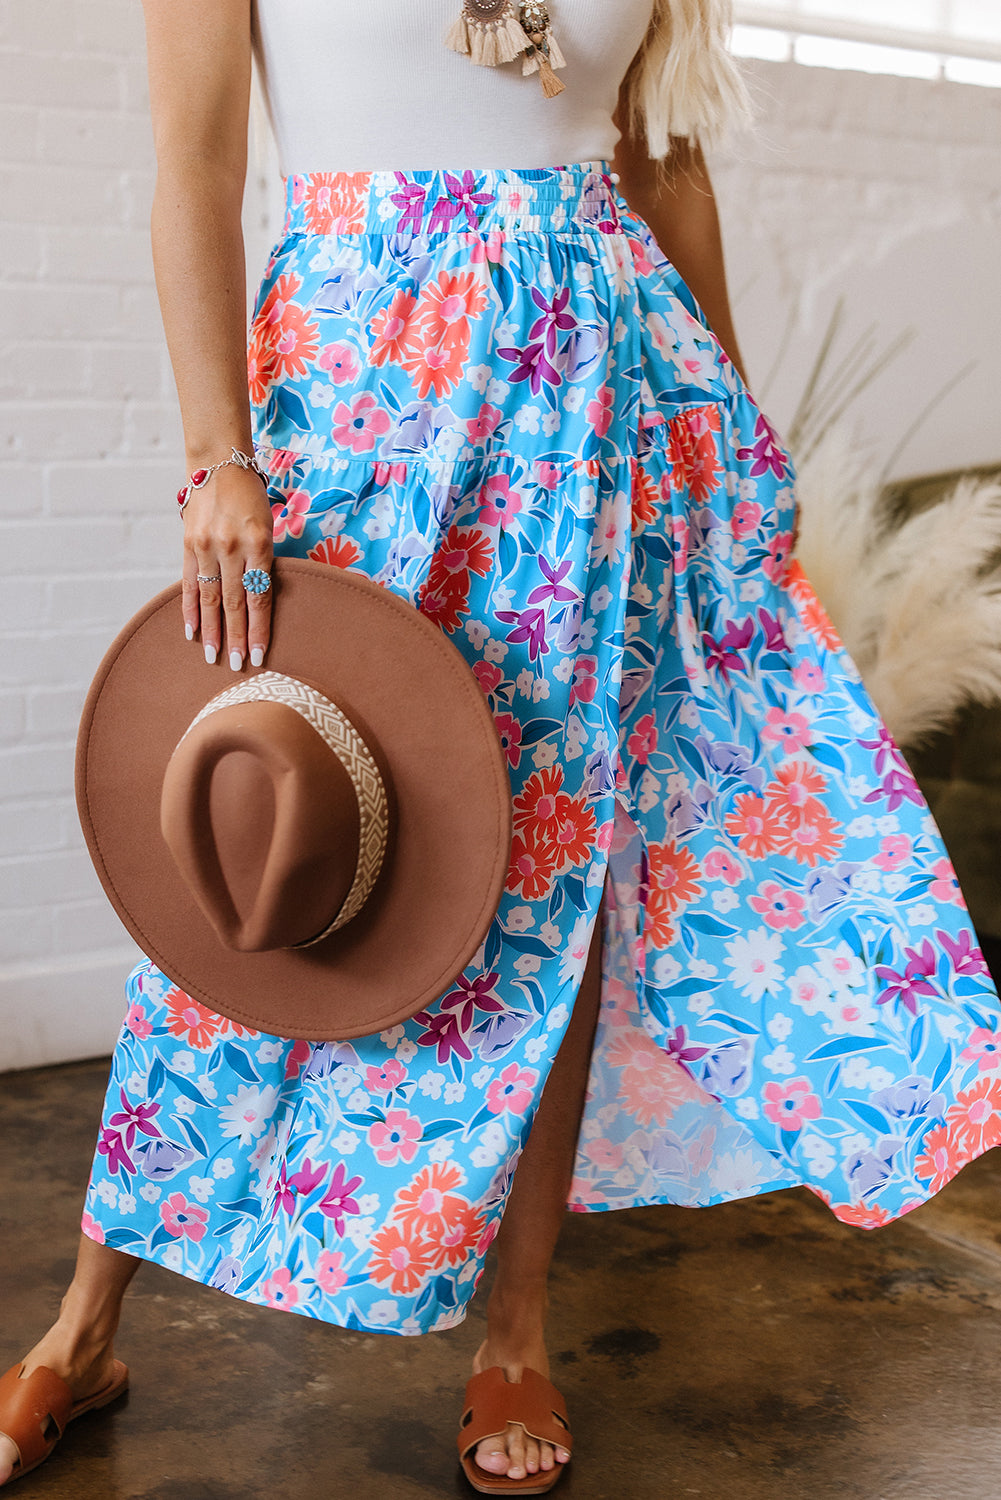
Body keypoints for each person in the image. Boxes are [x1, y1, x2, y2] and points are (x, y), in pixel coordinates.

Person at [3, 1, 1000, 1493]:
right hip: (361, 386)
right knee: (276, 831)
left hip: (607, 405)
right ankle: (85, 1326)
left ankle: (514, 1334)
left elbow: (663, 164)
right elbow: (196, 169)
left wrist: (734, 425)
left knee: (549, 862)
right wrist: (217, 455)